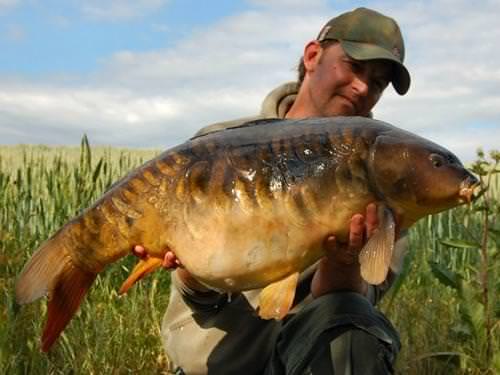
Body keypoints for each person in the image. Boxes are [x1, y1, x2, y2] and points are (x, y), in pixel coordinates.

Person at [134, 7, 411, 374]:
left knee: (354, 323)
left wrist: (344, 264)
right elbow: (199, 300)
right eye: (354, 67)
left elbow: (349, 309)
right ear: (313, 56)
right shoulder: (220, 146)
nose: (363, 87)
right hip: (218, 360)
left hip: (305, 360)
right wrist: (191, 270)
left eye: (378, 82)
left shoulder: (387, 184)